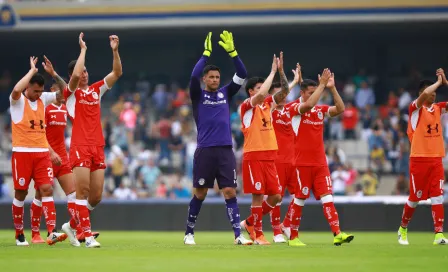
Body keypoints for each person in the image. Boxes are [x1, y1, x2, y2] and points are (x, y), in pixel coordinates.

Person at [183, 31, 252, 246]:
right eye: (211, 77)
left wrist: (233, 52)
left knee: (230, 191)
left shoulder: (225, 93)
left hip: (225, 150)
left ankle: (238, 235)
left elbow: (242, 73)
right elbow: (193, 77)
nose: (214, 80)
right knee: (201, 193)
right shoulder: (197, 95)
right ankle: (189, 233)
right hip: (205, 150)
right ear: (205, 79)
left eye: (217, 77)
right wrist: (205, 54)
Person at [64, 32, 122, 248]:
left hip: (97, 146)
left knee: (96, 196)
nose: (84, 74)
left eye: (87, 70)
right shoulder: (70, 94)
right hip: (79, 146)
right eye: (82, 71)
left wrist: (115, 51)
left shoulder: (97, 90)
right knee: (83, 192)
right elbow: (76, 75)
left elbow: (117, 72)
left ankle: (71, 225)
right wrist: (83, 50)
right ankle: (86, 236)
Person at [286, 69, 354, 246]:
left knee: (328, 197)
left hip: (320, 163)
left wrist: (331, 88)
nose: (315, 95)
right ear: (302, 93)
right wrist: (322, 85)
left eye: (316, 92)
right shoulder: (293, 108)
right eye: (311, 92)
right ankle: (293, 237)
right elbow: (307, 106)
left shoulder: (320, 110)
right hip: (301, 163)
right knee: (300, 199)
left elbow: (340, 108)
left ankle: (337, 233)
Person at [10, 56, 67, 246]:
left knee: (46, 189)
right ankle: (19, 233)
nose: (38, 94)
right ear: (29, 88)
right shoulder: (17, 101)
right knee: (21, 192)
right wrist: (32, 71)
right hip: (22, 152)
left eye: (40, 91)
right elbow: (17, 89)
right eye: (35, 91)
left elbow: (65, 92)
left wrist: (54, 74)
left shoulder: (43, 98)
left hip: (42, 152)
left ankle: (51, 231)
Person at [239, 52, 291, 245]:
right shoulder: (247, 106)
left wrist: (281, 72)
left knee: (276, 195)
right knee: (258, 196)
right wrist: (271, 72)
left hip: (270, 155)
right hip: (254, 155)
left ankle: (251, 223)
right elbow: (263, 94)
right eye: (259, 88)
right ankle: (258, 234)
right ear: (251, 92)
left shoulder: (268, 104)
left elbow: (284, 91)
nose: (264, 91)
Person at [398, 68, 448, 245]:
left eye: (436, 92)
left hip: (436, 159)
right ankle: (402, 229)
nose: (434, 95)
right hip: (418, 159)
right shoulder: (415, 109)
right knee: (415, 199)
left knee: (437, 197)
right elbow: (427, 92)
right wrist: (438, 83)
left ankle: (438, 234)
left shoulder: (438, 109)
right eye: (431, 92)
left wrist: (446, 83)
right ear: (421, 94)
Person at [268, 63, 302, 243]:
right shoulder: (269, 111)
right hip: (277, 160)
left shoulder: (291, 110)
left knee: (299, 196)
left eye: (284, 92)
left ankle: (286, 224)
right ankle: (276, 233)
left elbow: (307, 100)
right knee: (277, 197)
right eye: (278, 93)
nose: (282, 96)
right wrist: (283, 74)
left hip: (293, 160)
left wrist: (297, 80)